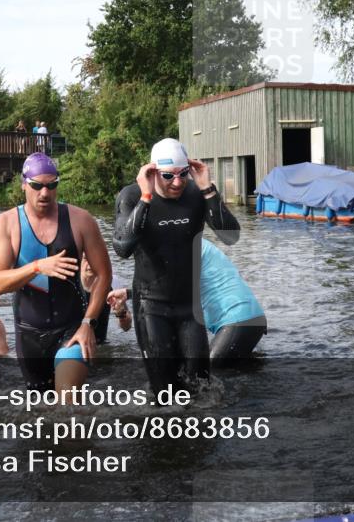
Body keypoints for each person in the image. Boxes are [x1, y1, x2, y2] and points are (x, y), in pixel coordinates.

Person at [113, 138, 240, 394]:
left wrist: (208, 189)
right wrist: (146, 198)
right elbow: (122, 248)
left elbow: (231, 236)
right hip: (150, 308)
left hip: (189, 308)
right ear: (152, 172)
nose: (178, 182)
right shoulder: (132, 196)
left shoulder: (196, 194)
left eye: (183, 174)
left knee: (202, 390)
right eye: (168, 176)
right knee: (164, 394)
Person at [0, 152, 112, 394]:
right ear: (24, 184)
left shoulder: (80, 220)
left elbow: (104, 275)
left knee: (67, 409)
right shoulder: (6, 223)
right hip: (29, 334)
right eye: (37, 186)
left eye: (51, 185)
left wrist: (88, 323)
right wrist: (37, 267)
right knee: (40, 414)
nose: (45, 193)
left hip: (72, 329)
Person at [110, 239, 266, 362]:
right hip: (249, 318)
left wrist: (128, 293)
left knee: (209, 375)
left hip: (238, 321)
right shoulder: (187, 242)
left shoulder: (181, 248)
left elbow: (171, 291)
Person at [78, 253, 116, 344]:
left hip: (101, 344)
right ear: (78, 262)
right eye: (86, 259)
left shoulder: (112, 283)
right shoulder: (70, 287)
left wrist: (121, 313)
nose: (91, 264)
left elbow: (126, 327)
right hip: (75, 344)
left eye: (94, 259)